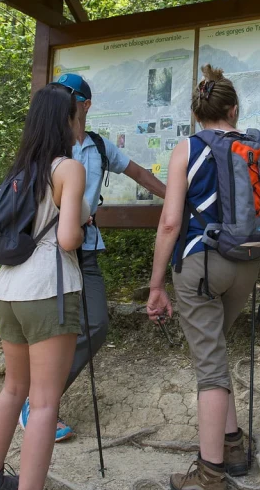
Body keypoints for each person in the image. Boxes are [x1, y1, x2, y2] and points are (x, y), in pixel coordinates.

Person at [146, 65, 260, 490]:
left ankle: (209, 477)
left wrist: (155, 284)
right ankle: (233, 446)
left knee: (209, 368)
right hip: (247, 265)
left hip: (201, 267)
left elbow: (170, 221)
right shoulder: (259, 149)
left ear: (198, 113)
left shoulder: (187, 148)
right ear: (233, 109)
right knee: (217, 354)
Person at [17, 73, 167, 441]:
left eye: (72, 97)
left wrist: (177, 198)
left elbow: (138, 173)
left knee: (95, 325)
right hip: (49, 253)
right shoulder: (50, 146)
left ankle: (39, 397)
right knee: (54, 329)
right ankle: (39, 406)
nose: (66, 102)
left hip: (85, 250)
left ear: (85, 103)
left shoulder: (99, 147)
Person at [0, 83, 89, 490]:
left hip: (7, 289)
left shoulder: (19, 171)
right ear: (66, 120)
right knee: (43, 402)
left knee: (13, 390)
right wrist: (81, 222)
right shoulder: (69, 168)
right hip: (49, 289)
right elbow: (66, 240)